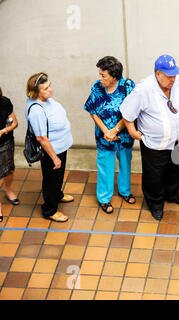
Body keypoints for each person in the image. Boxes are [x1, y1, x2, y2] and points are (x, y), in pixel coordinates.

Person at [120, 54, 179, 221]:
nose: (173, 79)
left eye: (174, 74)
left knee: (176, 170)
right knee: (154, 176)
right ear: (158, 73)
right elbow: (126, 112)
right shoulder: (143, 89)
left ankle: (172, 194)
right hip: (155, 144)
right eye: (169, 76)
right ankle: (155, 203)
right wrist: (132, 132)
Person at [83, 56, 136, 214]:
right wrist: (107, 131)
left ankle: (124, 191)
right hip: (104, 136)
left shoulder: (127, 86)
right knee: (106, 165)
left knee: (125, 163)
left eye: (103, 75)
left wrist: (115, 130)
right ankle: (104, 198)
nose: (100, 78)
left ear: (114, 76)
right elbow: (92, 111)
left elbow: (131, 111)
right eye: (99, 74)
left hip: (124, 134)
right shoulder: (97, 87)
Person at [25, 72, 74, 222]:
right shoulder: (36, 110)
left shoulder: (46, 100)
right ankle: (50, 209)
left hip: (60, 147)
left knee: (58, 177)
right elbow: (41, 138)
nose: (50, 90)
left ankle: (57, 194)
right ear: (36, 92)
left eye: (49, 85)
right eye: (45, 89)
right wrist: (54, 158)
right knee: (51, 180)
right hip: (51, 152)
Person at [0, 87, 19, 222]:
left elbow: (15, 123)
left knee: (8, 171)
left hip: (5, 143)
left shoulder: (5, 102)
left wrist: (3, 131)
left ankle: (8, 189)